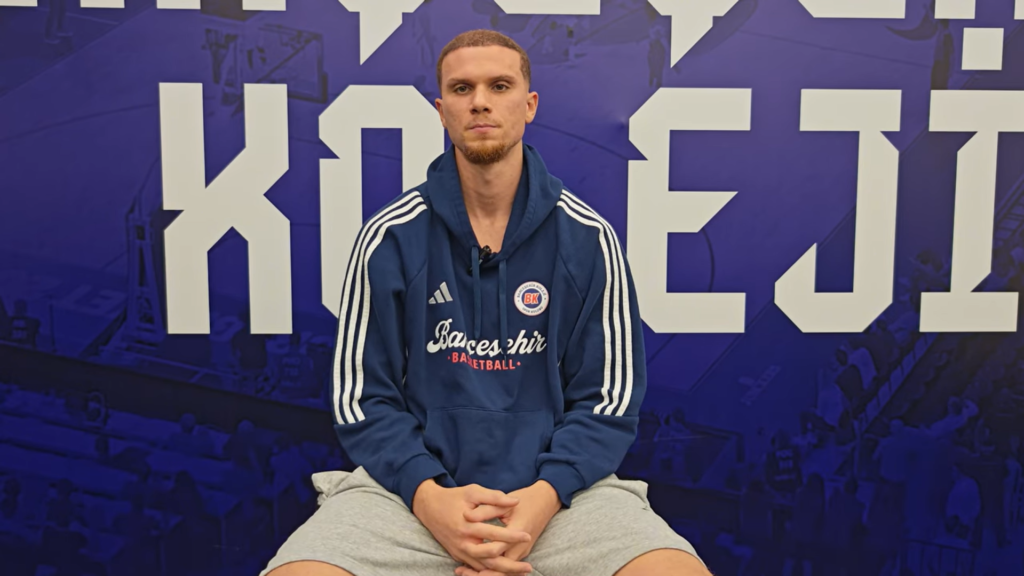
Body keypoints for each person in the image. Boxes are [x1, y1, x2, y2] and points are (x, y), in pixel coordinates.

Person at [262, 29, 708, 576]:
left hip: (558, 499)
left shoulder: (588, 239)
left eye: (499, 86)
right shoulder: (390, 238)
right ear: (441, 110)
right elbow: (362, 398)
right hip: (413, 497)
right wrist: (430, 499)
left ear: (529, 104)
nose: (479, 101)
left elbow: (608, 403)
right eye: (461, 88)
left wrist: (542, 499)